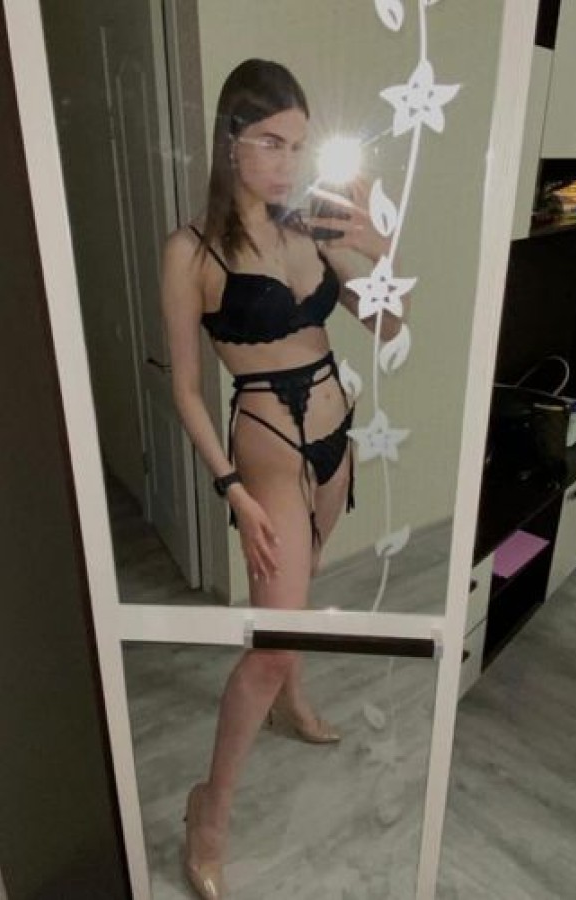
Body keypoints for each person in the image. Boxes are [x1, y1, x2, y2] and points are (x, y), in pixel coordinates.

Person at [161, 58, 400, 899]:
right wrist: (230, 486)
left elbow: (390, 322)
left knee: (302, 590)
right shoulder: (191, 250)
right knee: (271, 646)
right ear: (231, 140)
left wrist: (374, 247)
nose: (287, 162)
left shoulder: (313, 226)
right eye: (270, 141)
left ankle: (292, 704)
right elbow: (186, 389)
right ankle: (209, 813)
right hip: (265, 444)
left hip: (335, 434)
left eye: (298, 145)